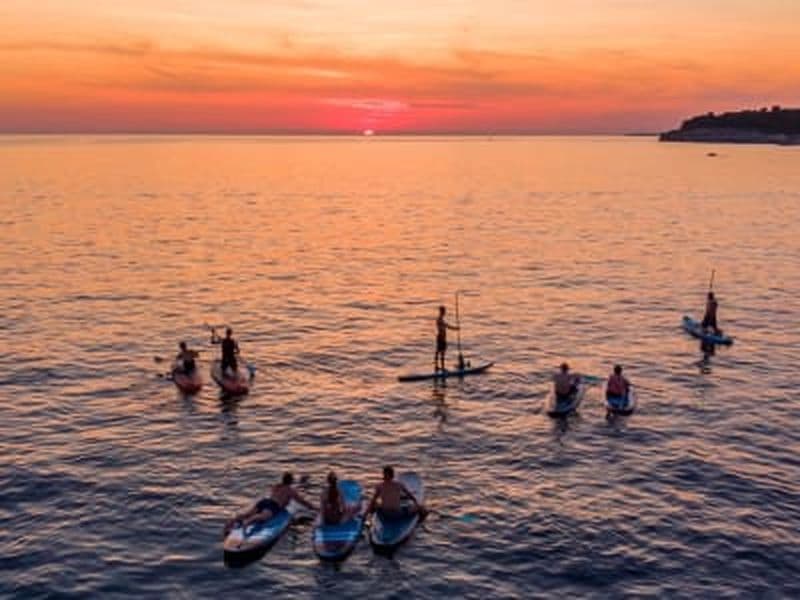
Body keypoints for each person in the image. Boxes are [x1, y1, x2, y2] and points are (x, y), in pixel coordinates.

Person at [224, 471, 315, 536]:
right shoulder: (290, 491)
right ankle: (247, 522)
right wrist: (314, 508)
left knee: (247, 513)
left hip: (264, 501)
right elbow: (302, 501)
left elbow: (278, 493)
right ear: (291, 481)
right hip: (273, 506)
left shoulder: (276, 486)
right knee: (263, 517)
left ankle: (229, 524)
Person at [434, 305, 459, 372]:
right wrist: (455, 328)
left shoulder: (440, 319)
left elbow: (447, 326)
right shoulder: (440, 320)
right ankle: (441, 367)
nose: (445, 312)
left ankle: (437, 366)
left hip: (440, 337)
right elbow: (446, 326)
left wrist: (456, 328)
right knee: (441, 352)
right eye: (444, 311)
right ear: (442, 311)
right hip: (441, 337)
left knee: (439, 351)